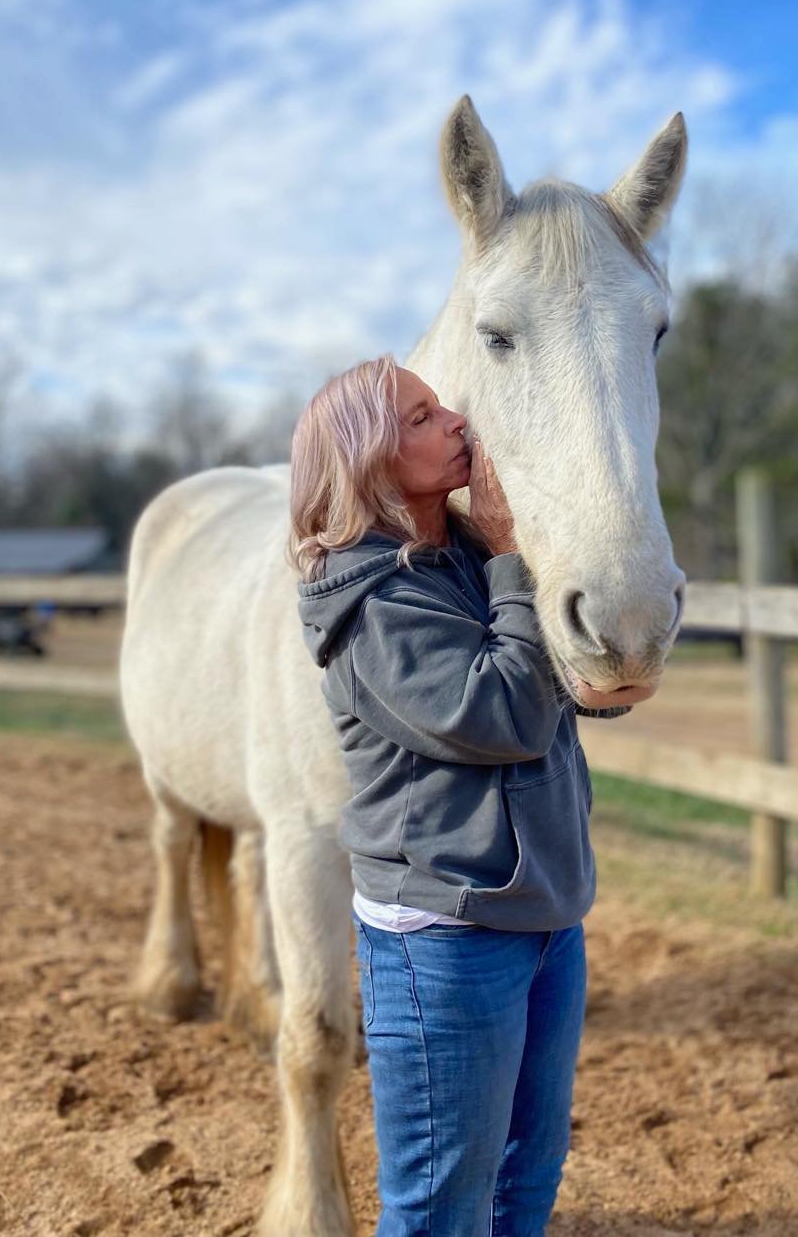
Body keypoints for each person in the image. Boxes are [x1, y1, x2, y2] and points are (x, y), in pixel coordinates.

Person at [290, 351, 595, 1237]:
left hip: (541, 912)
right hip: (449, 939)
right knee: (438, 1213)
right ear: (369, 458)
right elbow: (499, 713)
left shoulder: (459, 554)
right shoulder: (375, 598)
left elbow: (545, 686)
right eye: (421, 417)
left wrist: (596, 683)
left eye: (440, 407)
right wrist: (510, 559)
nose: (456, 420)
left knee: (525, 1179)